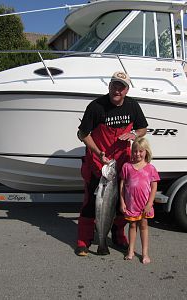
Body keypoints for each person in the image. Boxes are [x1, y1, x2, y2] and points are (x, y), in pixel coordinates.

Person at [76, 71, 148, 256]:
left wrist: (134, 135)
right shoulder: (96, 106)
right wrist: (99, 153)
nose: (117, 90)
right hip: (98, 164)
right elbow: (82, 134)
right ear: (109, 86)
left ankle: (118, 236)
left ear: (127, 89)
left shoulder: (132, 106)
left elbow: (142, 128)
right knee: (91, 204)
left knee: (120, 205)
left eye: (121, 87)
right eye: (114, 85)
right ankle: (84, 240)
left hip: (122, 166)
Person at [120, 137, 160, 264]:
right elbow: (122, 185)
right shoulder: (127, 167)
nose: (137, 154)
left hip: (144, 205)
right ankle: (130, 251)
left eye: (141, 151)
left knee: (143, 226)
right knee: (132, 226)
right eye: (135, 151)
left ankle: (145, 253)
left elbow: (154, 187)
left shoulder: (150, 168)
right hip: (131, 204)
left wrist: (150, 203)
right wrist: (122, 201)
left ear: (146, 152)